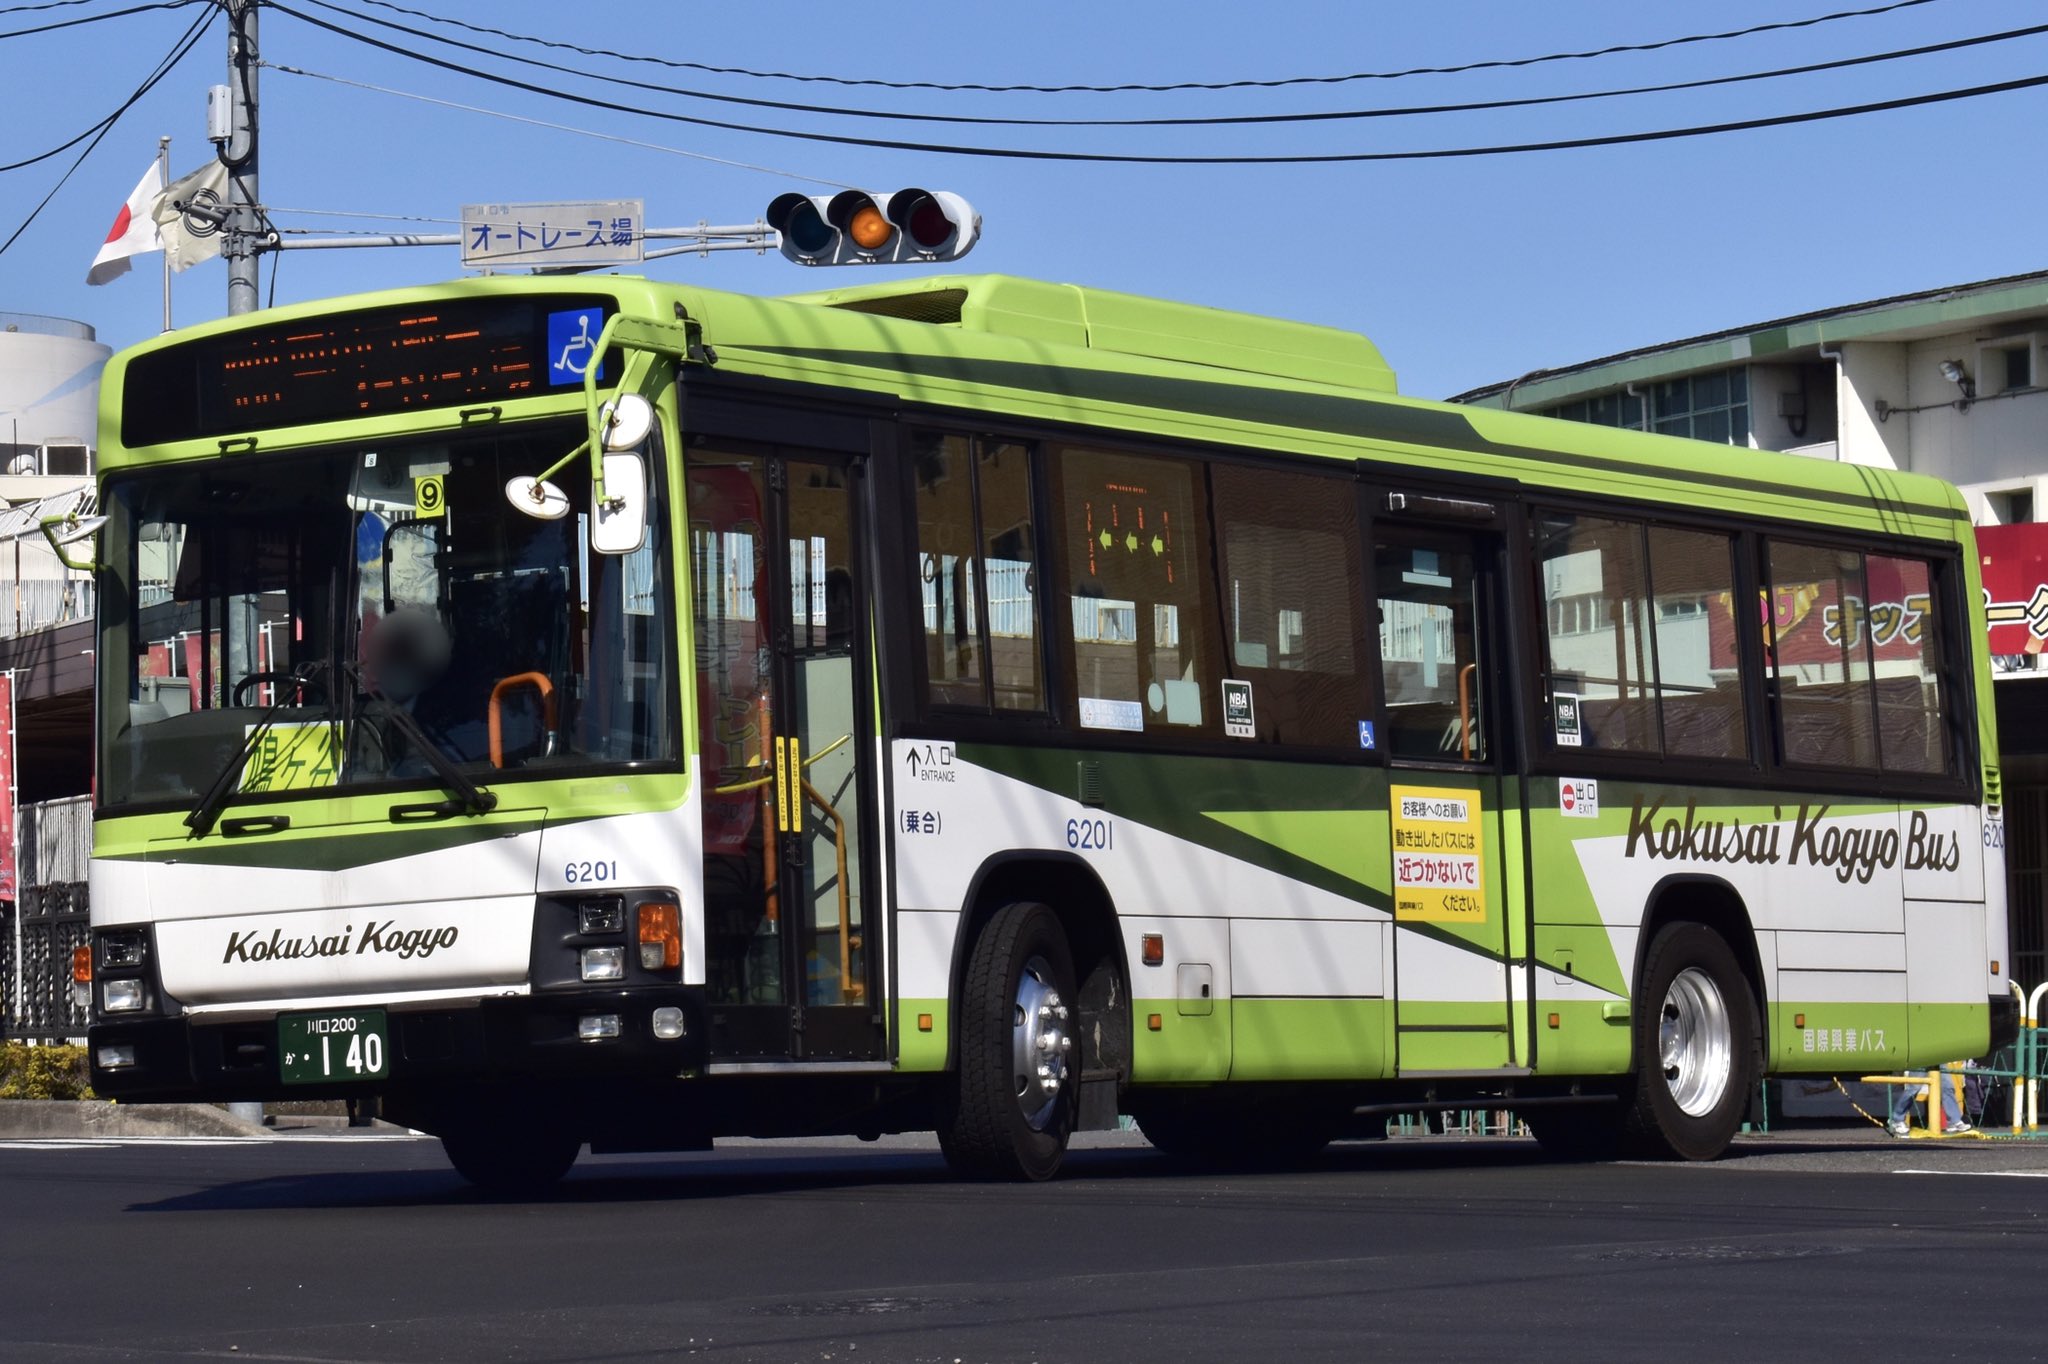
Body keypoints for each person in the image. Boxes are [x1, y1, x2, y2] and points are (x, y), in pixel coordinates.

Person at [1888, 1067, 1972, 1137]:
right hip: (1922, 1053)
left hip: (1939, 1053)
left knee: (1947, 1087)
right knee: (1914, 1088)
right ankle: (1896, 1119)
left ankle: (1954, 1121)